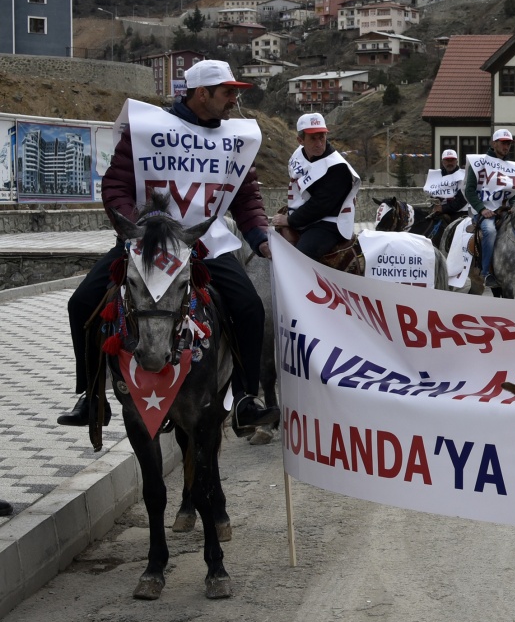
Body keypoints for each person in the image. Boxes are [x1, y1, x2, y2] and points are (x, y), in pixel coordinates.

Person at [59, 60, 279, 433]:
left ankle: (244, 398)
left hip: (206, 246)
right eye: (227, 92)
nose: (233, 101)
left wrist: (260, 239)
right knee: (81, 303)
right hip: (148, 243)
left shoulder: (236, 141)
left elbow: (247, 200)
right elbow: (115, 187)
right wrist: (136, 229)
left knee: (249, 307)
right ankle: (92, 397)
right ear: (201, 93)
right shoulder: (146, 131)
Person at [273, 113, 360, 261]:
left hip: (331, 222)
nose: (319, 143)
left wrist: (290, 220)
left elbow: (321, 205)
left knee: (301, 256)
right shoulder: (298, 154)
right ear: (300, 140)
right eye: (313, 138)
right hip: (309, 216)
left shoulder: (337, 167)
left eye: (322, 137)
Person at [462, 128, 515, 286]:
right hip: (484, 212)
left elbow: (514, 193)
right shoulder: (479, 163)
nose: (506, 147)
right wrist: (482, 209)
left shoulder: (511, 167)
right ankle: (487, 272)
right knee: (489, 231)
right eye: (503, 143)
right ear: (494, 143)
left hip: (503, 211)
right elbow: (469, 190)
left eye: (509, 144)